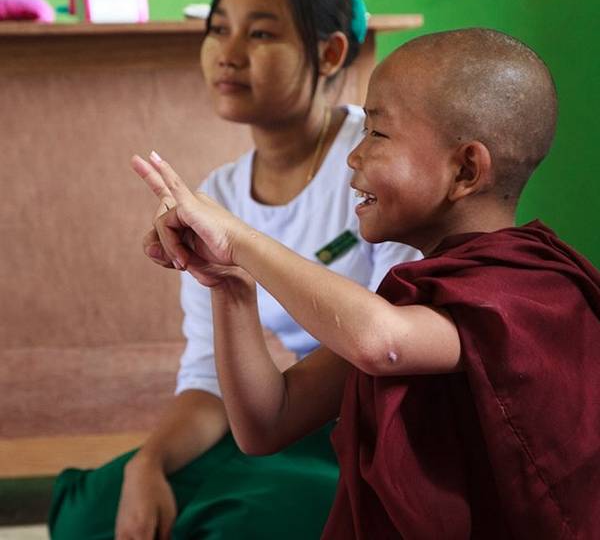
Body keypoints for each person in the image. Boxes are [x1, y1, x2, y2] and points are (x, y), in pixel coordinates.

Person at [133, 27, 600, 538]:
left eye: (376, 133)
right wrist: (230, 286)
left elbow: (382, 343)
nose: (353, 157)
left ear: (466, 170)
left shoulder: (529, 292)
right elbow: (267, 423)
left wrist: (239, 238)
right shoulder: (413, 301)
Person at [48, 0, 420, 540]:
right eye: (218, 29)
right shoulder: (219, 192)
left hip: (361, 426)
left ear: (329, 53)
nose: (228, 52)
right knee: (88, 513)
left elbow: (395, 335)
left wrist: (282, 389)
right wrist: (150, 463)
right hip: (266, 420)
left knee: (243, 521)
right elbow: (209, 380)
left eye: (261, 33)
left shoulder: (372, 164)